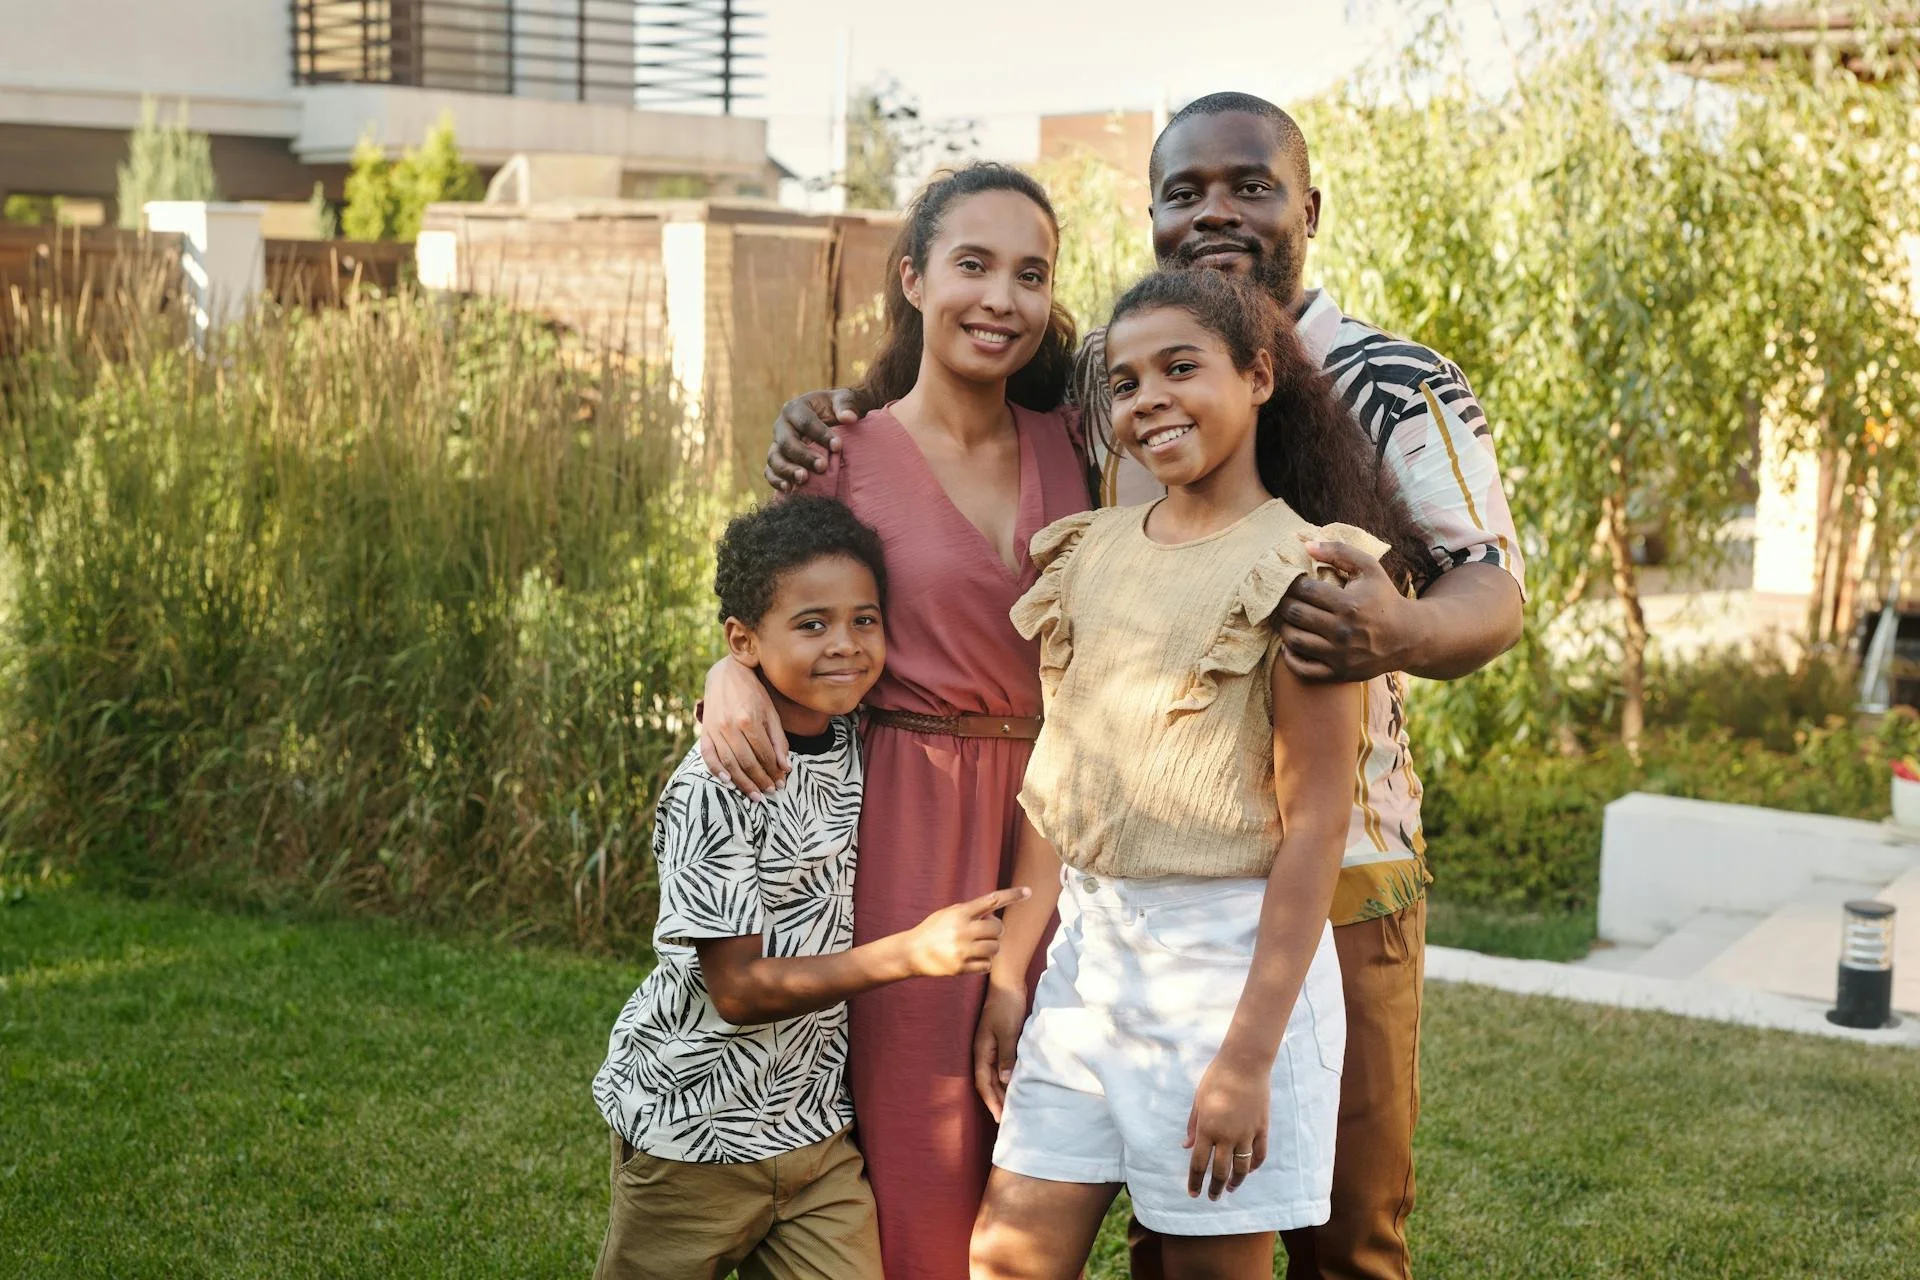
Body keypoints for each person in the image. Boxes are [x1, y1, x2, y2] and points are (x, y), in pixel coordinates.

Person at [755, 94, 1527, 1280]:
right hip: (1108, 882)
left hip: (1332, 873)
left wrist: (1395, 626)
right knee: (1088, 1220)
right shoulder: (1104, 403)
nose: (1215, 211)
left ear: (1306, 210)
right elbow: (959, 408)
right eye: (1184, 191)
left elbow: (1491, 595)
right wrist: (828, 419)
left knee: (1337, 1234)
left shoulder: (1386, 393)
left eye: (1251, 186)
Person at [970, 268, 1433, 1279]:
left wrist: (1246, 1057)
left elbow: (1312, 831)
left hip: (1224, 975)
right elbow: (1063, 782)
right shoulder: (1090, 555)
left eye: (1182, 368)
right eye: (1126, 382)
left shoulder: (1298, 572)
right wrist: (1015, 969)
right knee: (1005, 1258)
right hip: (1088, 968)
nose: (1151, 401)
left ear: (1259, 375)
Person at [694, 163, 1091, 1279]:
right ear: (914, 277)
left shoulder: (1082, 448)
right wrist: (724, 683)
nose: (1000, 298)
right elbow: (768, 630)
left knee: (1043, 1169)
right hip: (900, 833)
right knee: (922, 1151)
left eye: (1030, 273)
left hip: (1055, 827)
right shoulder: (840, 452)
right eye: (972, 264)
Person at [590, 495, 1031, 1280]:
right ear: (744, 640)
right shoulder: (717, 786)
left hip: (816, 1139)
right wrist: (911, 953)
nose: (847, 646)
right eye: (812, 624)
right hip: (694, 1134)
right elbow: (736, 989)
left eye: (866, 620)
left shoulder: (864, 743)